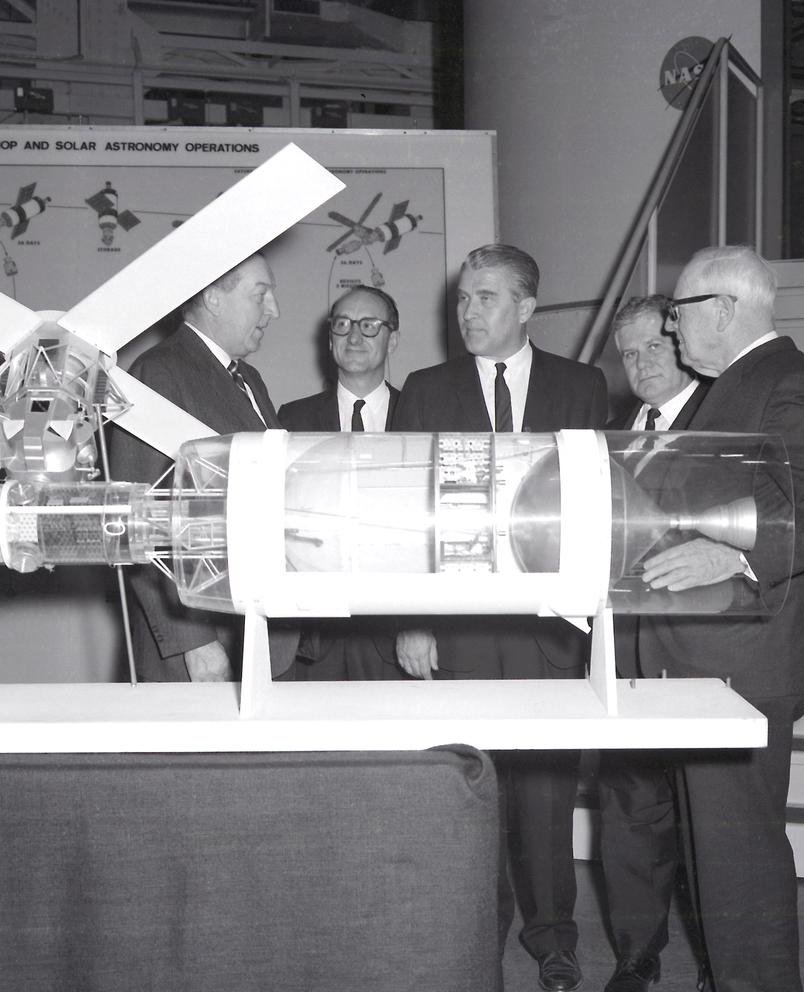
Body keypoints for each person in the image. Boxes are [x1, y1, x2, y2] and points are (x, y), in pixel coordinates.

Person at [637, 246, 804, 992]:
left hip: (744, 666)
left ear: (723, 310)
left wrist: (732, 558)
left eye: (677, 312)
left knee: (741, 872)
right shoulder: (739, 382)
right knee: (721, 869)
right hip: (714, 661)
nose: (671, 330)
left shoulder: (784, 382)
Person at [393, 244, 608, 992]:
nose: (468, 312)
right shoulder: (424, 390)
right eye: (463, 299)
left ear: (526, 307)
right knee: (471, 791)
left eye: (486, 297)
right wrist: (414, 618)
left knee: (546, 794)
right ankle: (474, 938)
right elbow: (408, 512)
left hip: (549, 624)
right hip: (458, 623)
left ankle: (554, 940)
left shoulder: (583, 388)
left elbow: (593, 506)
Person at [111, 253, 302, 682]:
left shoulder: (247, 378)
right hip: (201, 645)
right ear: (214, 298)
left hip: (248, 633)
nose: (274, 309)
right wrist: (191, 641)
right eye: (261, 294)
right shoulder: (158, 373)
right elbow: (137, 520)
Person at [597, 294, 712, 992]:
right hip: (626, 655)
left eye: (653, 348)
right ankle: (636, 955)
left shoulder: (724, 419)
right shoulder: (613, 433)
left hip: (705, 653)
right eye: (628, 353)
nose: (640, 364)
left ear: (681, 343)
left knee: (709, 822)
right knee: (630, 813)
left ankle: (719, 961)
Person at [276, 284, 406, 680]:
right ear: (329, 339)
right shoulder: (291, 420)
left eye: (369, 326)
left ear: (392, 339)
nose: (353, 336)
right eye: (342, 324)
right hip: (313, 636)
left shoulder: (421, 416)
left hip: (394, 634)